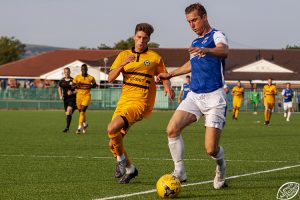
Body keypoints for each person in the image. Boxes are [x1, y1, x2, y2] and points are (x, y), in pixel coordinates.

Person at [157, 3, 228, 189]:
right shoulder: (195, 43)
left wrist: (208, 50)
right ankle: (179, 171)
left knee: (211, 149)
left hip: (215, 98)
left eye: (195, 20)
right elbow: (192, 64)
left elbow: (223, 50)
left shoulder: (216, 35)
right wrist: (170, 74)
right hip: (195, 96)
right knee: (171, 129)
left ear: (204, 17)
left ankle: (221, 168)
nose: (192, 24)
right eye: (189, 22)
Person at [107, 23, 174, 184]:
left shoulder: (154, 57)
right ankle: (130, 169)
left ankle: (121, 161)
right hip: (123, 102)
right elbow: (110, 78)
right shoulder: (123, 54)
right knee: (113, 143)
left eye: (145, 38)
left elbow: (163, 74)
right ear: (134, 37)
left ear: (149, 39)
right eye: (139, 37)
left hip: (139, 103)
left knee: (111, 128)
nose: (141, 40)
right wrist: (123, 64)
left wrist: (167, 87)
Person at [73, 64, 97, 134]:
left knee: (82, 111)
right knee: (81, 112)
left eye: (85, 69)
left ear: (87, 70)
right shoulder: (77, 77)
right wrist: (75, 86)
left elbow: (95, 85)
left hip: (86, 96)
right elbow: (72, 86)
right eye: (82, 69)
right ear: (81, 70)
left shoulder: (91, 78)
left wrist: (92, 85)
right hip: (78, 97)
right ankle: (85, 124)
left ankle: (79, 128)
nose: (84, 70)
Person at [58, 67, 77, 133]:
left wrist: (72, 92)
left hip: (72, 98)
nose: (67, 73)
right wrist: (60, 95)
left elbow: (77, 90)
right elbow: (59, 88)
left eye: (68, 72)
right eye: (65, 72)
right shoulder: (62, 81)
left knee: (69, 111)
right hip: (65, 99)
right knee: (67, 114)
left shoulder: (73, 80)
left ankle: (67, 128)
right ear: (64, 73)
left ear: (70, 72)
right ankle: (84, 123)